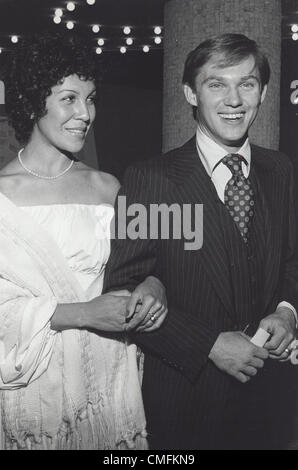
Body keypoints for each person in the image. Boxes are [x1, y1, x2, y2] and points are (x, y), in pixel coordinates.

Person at [103, 33, 298, 449]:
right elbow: (122, 293)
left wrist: (287, 312)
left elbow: (291, 262)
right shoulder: (152, 180)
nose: (234, 100)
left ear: (262, 91)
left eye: (246, 83)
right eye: (216, 84)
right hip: (188, 407)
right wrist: (208, 344)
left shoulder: (280, 170)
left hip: (272, 407)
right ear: (191, 93)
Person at [0, 32, 168, 450]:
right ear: (32, 100)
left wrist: (154, 285)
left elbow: (164, 254)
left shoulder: (110, 187)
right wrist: (85, 312)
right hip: (37, 393)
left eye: (90, 98)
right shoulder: (2, 195)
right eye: (69, 98)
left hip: (112, 386)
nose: (85, 113)